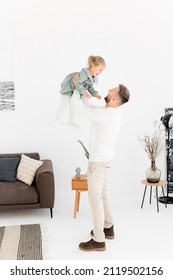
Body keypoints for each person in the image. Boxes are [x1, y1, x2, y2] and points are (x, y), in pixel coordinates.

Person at [72, 84, 130, 251]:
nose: (109, 89)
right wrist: (85, 92)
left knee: (94, 198)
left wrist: (76, 89)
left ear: (114, 99)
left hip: (98, 162)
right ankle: (108, 227)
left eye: (112, 89)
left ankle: (98, 239)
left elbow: (80, 111)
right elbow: (91, 108)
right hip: (106, 160)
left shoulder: (106, 115)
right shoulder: (113, 112)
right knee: (103, 195)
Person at [55, 55, 106, 128]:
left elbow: (90, 87)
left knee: (73, 103)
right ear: (92, 66)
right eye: (100, 70)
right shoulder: (84, 73)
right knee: (64, 103)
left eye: (102, 70)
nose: (101, 72)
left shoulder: (93, 76)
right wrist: (84, 92)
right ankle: (57, 119)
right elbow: (77, 83)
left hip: (78, 90)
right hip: (69, 87)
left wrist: (95, 93)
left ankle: (71, 121)